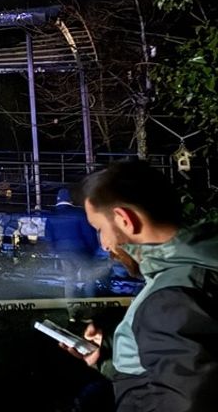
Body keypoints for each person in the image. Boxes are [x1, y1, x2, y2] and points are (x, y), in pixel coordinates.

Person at [64, 159, 218, 411]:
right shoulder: (198, 266)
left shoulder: (170, 298)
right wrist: (113, 351)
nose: (104, 244)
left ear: (124, 220)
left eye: (100, 228)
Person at [45, 187, 105, 299]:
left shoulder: (51, 217)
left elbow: (49, 237)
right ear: (70, 200)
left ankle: (70, 305)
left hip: (63, 252)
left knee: (69, 279)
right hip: (82, 251)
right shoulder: (79, 214)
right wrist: (93, 250)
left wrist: (54, 251)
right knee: (89, 278)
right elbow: (89, 235)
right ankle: (90, 304)